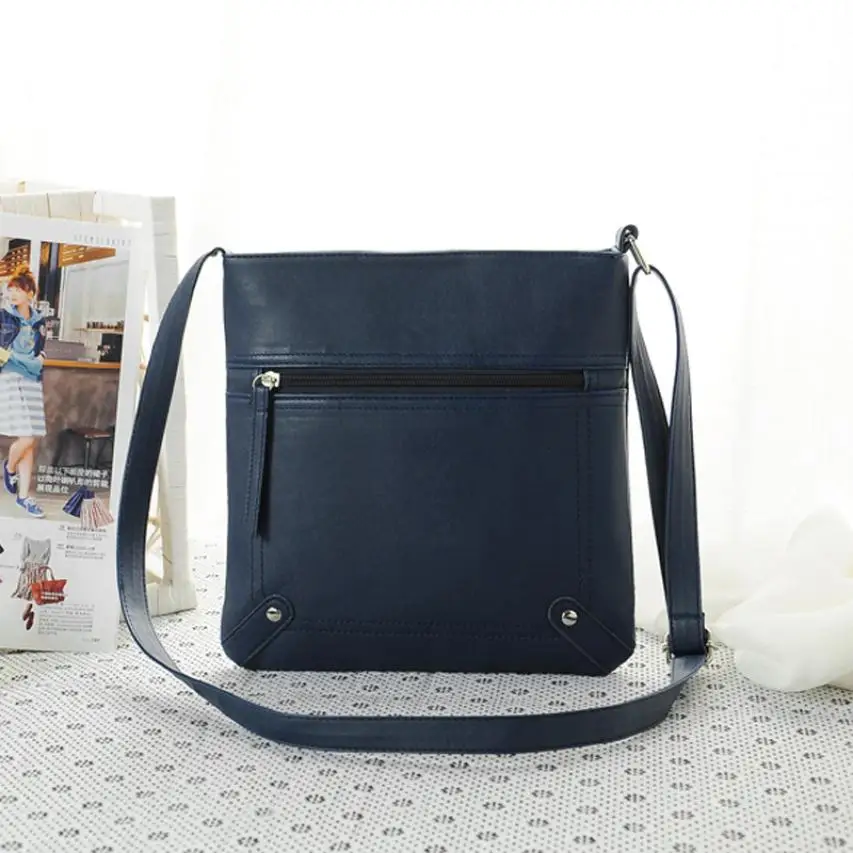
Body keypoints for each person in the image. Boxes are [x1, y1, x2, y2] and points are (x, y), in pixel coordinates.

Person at [0, 265, 47, 518]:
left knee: (29, 440)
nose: (13, 294)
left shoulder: (39, 320)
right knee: (27, 437)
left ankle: (24, 497)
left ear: (30, 293)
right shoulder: (3, 316)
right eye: (10, 290)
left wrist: (38, 360)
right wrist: (24, 361)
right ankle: (9, 468)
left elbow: (41, 350)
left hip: (32, 381)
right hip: (10, 378)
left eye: (18, 290)